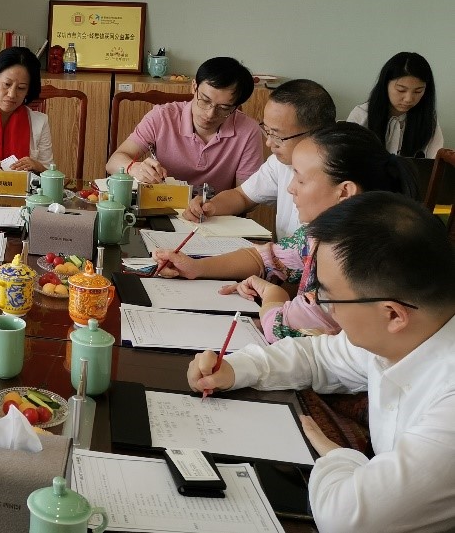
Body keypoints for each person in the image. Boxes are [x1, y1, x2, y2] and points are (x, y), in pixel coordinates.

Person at [188, 192, 455, 533]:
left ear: (392, 314)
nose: (321, 305)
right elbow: (317, 356)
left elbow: (346, 519)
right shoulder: (408, 334)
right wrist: (235, 369)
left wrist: (339, 456)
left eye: (327, 295)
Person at [156, 123, 418, 341]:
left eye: (301, 179)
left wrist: (273, 296)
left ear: (345, 192)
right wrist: (196, 267)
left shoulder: (353, 256)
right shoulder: (321, 233)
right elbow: (266, 257)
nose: (291, 188)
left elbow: (283, 329)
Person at [182, 79, 336, 239]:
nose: (269, 143)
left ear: (317, 133)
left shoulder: (336, 179)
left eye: (278, 136)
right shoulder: (279, 162)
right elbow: (243, 196)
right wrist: (211, 206)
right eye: (267, 131)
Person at [106, 56, 262, 194]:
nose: (209, 114)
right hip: (161, 205)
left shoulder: (248, 131)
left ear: (236, 106)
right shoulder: (163, 116)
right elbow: (113, 162)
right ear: (194, 87)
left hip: (215, 211)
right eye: (205, 100)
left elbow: (247, 196)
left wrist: (211, 207)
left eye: (224, 108)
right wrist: (134, 168)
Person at [347, 51, 443, 158]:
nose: (408, 99)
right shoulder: (362, 115)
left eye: (418, 91)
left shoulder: (428, 120)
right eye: (401, 90)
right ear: (385, 85)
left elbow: (434, 161)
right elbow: (345, 158)